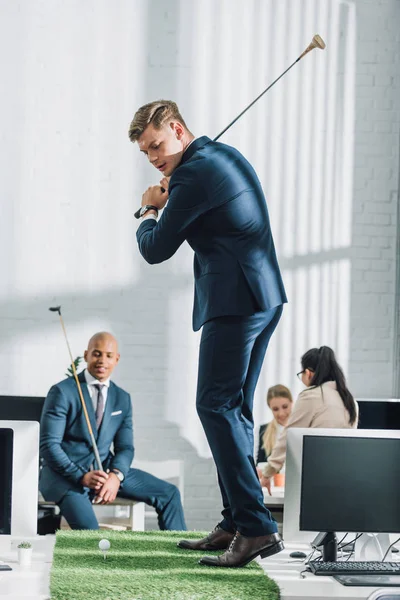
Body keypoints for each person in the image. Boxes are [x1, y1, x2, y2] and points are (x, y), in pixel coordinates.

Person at [128, 100, 287, 568]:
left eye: (157, 145)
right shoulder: (218, 157)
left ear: (177, 130)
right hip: (262, 296)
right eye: (146, 152)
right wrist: (173, 190)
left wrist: (149, 209)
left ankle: (256, 528)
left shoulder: (193, 176)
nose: (154, 157)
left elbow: (156, 250)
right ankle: (238, 520)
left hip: (237, 302)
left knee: (214, 405)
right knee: (232, 409)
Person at [39, 332, 186, 531]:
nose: (102, 361)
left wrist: (116, 476)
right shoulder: (63, 391)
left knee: (169, 494)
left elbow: (125, 447)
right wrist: (80, 476)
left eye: (108, 355)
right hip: (65, 478)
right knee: (92, 535)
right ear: (86, 355)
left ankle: (175, 558)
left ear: (116, 359)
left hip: (105, 470)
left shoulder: (122, 398)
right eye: (97, 354)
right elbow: (49, 446)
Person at [260, 346, 359, 494]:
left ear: (308, 373)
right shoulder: (350, 400)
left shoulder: (312, 396)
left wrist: (267, 473)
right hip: (346, 480)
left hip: (316, 480)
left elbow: (289, 437)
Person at [256, 384, 293, 467]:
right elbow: (257, 464)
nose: (281, 413)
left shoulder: (301, 429)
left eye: (285, 407)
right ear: (270, 408)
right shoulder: (262, 431)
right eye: (275, 409)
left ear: (291, 403)